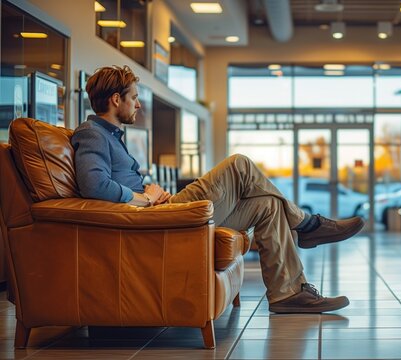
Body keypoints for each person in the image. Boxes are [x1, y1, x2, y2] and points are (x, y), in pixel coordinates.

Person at [71, 65, 365, 313]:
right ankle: (308, 225)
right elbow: (93, 185)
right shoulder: (91, 133)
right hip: (160, 216)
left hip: (163, 209)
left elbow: (113, 181)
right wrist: (143, 197)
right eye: (134, 98)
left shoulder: (110, 135)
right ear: (114, 99)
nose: (138, 104)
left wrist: (146, 191)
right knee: (240, 164)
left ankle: (288, 293)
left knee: (268, 206)